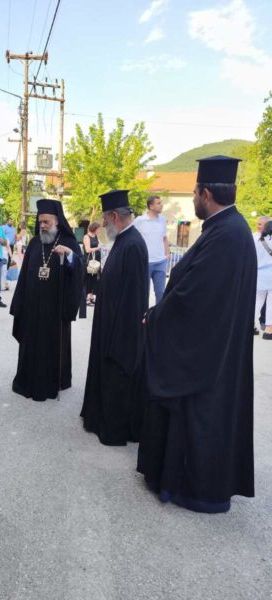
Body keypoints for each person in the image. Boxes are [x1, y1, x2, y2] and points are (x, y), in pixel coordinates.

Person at [137, 155, 257, 513]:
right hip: (214, 347)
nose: (192, 198)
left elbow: (194, 298)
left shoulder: (227, 235)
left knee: (199, 417)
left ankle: (191, 488)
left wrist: (156, 317)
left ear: (206, 194)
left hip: (206, 354)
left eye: (193, 192)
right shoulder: (226, 228)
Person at [80, 190, 149, 445]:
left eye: (105, 218)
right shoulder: (124, 240)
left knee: (117, 377)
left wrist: (120, 336)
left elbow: (133, 297)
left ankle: (115, 430)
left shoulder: (133, 244)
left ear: (114, 217)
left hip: (120, 330)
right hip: (109, 322)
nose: (104, 223)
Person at [10, 199, 83, 402]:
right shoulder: (35, 243)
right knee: (31, 344)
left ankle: (53, 382)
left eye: (46, 222)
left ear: (57, 221)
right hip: (32, 308)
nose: (42, 225)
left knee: (52, 346)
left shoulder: (68, 243)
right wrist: (19, 305)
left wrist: (69, 256)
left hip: (54, 309)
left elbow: (80, 268)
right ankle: (28, 381)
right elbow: (24, 277)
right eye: (40, 221)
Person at [134, 195, 170, 304]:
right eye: (158, 203)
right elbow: (132, 238)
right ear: (151, 206)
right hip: (145, 262)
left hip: (161, 262)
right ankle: (143, 313)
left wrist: (167, 254)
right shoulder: (139, 220)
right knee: (143, 293)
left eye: (161, 203)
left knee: (160, 293)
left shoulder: (163, 219)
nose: (161, 205)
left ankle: (158, 314)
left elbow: (164, 238)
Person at [253, 217, 272, 339]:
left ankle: (252, 324)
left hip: (258, 274)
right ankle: (269, 330)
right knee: (271, 302)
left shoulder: (253, 237)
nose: (258, 226)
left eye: (260, 224)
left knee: (257, 301)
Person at [82, 222, 102, 306]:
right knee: (89, 278)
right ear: (94, 228)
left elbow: (99, 245)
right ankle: (87, 298)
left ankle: (91, 297)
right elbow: (87, 250)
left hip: (96, 260)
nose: (99, 230)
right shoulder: (86, 236)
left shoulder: (96, 236)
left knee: (94, 278)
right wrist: (97, 248)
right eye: (98, 229)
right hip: (89, 261)